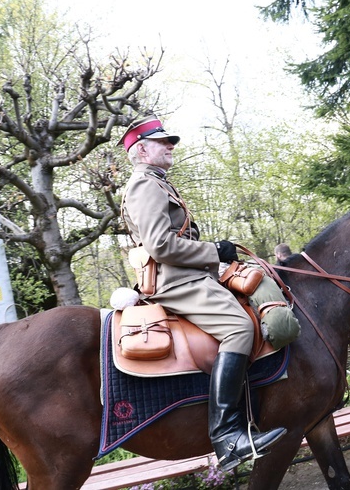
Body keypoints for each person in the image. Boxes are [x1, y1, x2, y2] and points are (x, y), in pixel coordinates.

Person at [118, 115, 286, 471]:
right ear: (141, 149)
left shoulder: (158, 183)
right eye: (163, 142)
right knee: (239, 328)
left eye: (170, 141)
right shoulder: (144, 185)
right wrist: (215, 251)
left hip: (193, 276)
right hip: (177, 282)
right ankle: (228, 437)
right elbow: (162, 245)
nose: (170, 146)